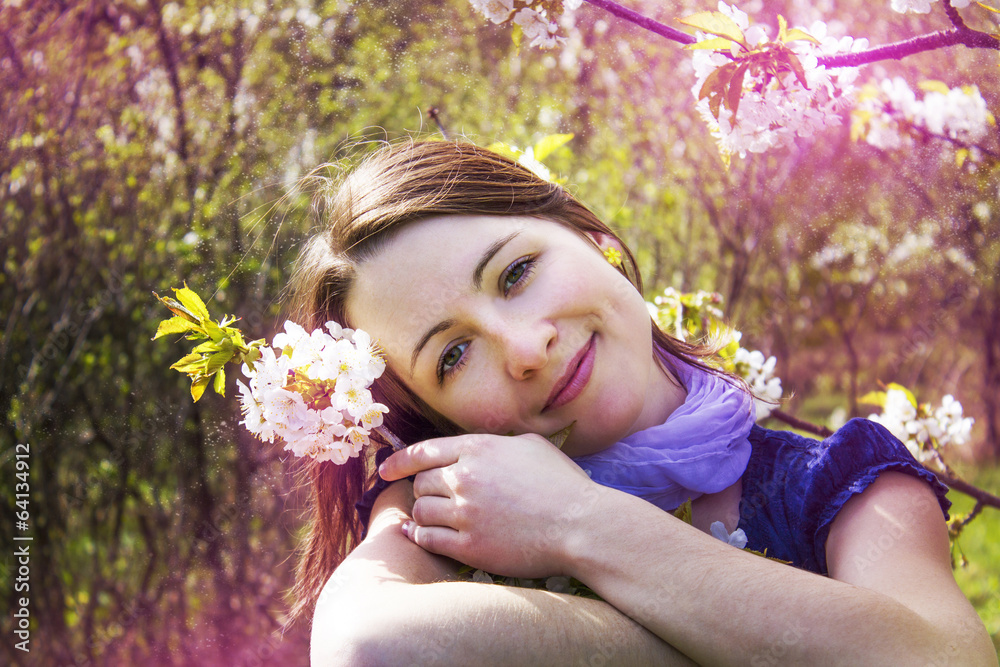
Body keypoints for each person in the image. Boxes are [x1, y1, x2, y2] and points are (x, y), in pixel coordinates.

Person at [284, 139, 996, 665]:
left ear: (590, 237)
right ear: (438, 422)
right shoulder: (452, 526)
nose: (525, 348)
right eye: (453, 355)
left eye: (517, 271)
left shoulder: (844, 483)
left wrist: (577, 520)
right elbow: (367, 642)